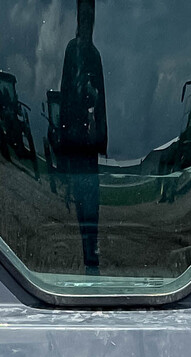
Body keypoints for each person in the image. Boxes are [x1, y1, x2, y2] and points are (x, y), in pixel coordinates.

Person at [56, 0, 106, 272]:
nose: (87, 22)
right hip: (75, 141)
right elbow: (66, 96)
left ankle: (92, 252)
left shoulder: (94, 54)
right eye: (83, 16)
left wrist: (101, 136)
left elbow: (101, 101)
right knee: (80, 196)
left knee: (92, 199)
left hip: (90, 144)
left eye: (90, 17)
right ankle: (84, 252)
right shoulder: (72, 51)